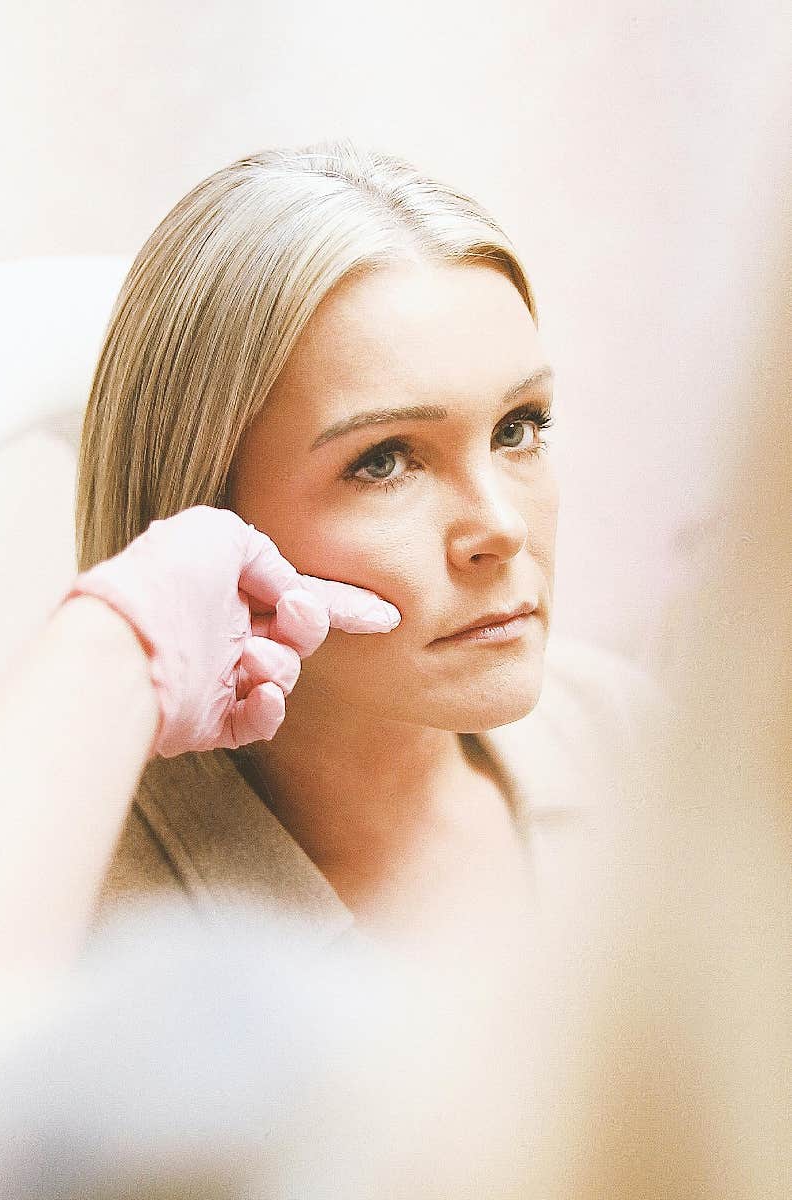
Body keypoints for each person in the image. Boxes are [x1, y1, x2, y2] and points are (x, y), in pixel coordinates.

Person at [69, 136, 657, 959]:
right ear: (202, 509)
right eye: (383, 461)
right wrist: (114, 640)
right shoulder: (82, 917)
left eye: (517, 430)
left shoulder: (633, 740)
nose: (502, 528)